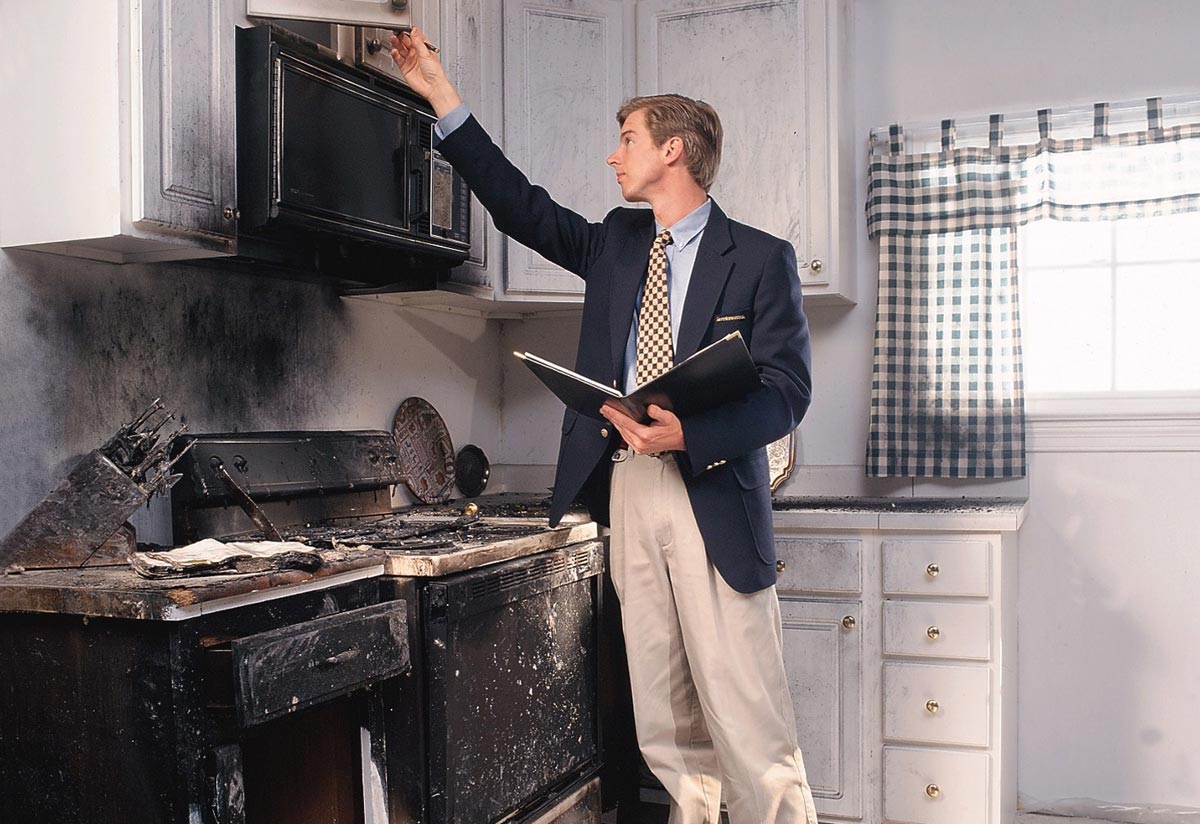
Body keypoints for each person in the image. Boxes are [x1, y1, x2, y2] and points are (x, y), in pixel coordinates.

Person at [391, 28, 817, 824]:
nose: (613, 158)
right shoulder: (618, 243)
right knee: (665, 721)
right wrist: (440, 94)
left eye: (628, 140)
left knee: (749, 721)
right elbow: (521, 207)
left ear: (676, 150)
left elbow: (786, 393)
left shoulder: (760, 258)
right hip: (626, 487)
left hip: (709, 491)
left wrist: (688, 435)